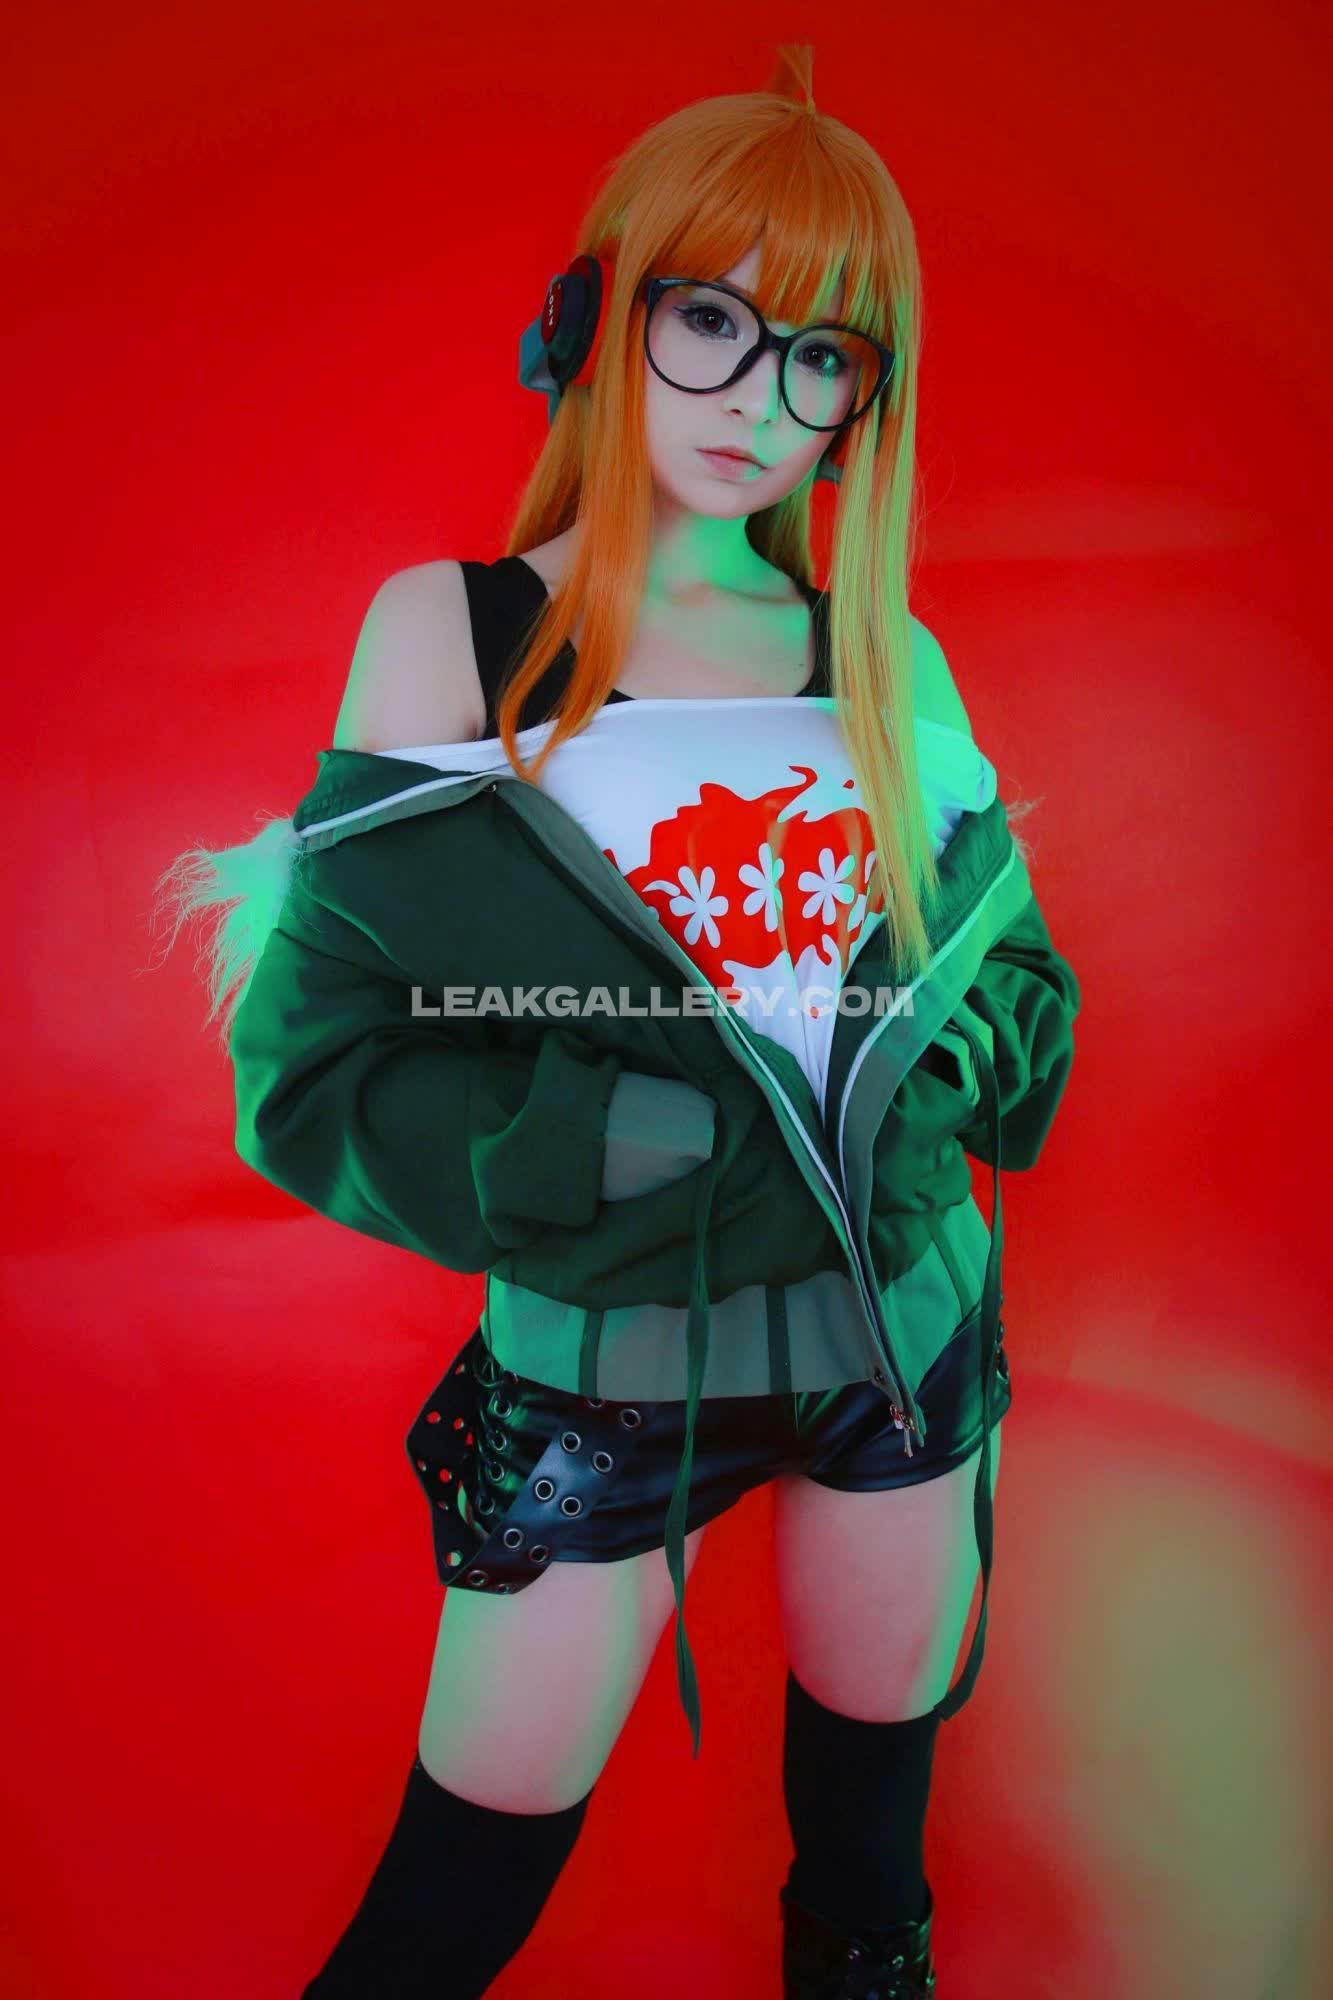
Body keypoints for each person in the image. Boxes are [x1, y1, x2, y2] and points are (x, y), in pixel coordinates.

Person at [151, 41, 1080, 2000]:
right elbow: (317, 1064)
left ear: (863, 403)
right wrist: (613, 1143)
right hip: (603, 1373)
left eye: (821, 357)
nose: (760, 400)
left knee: (869, 1887)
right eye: (713, 321)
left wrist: (935, 1091)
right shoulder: (457, 633)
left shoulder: (877, 655)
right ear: (601, 316)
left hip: (899, 1347)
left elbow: (1013, 981)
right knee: (448, 1900)